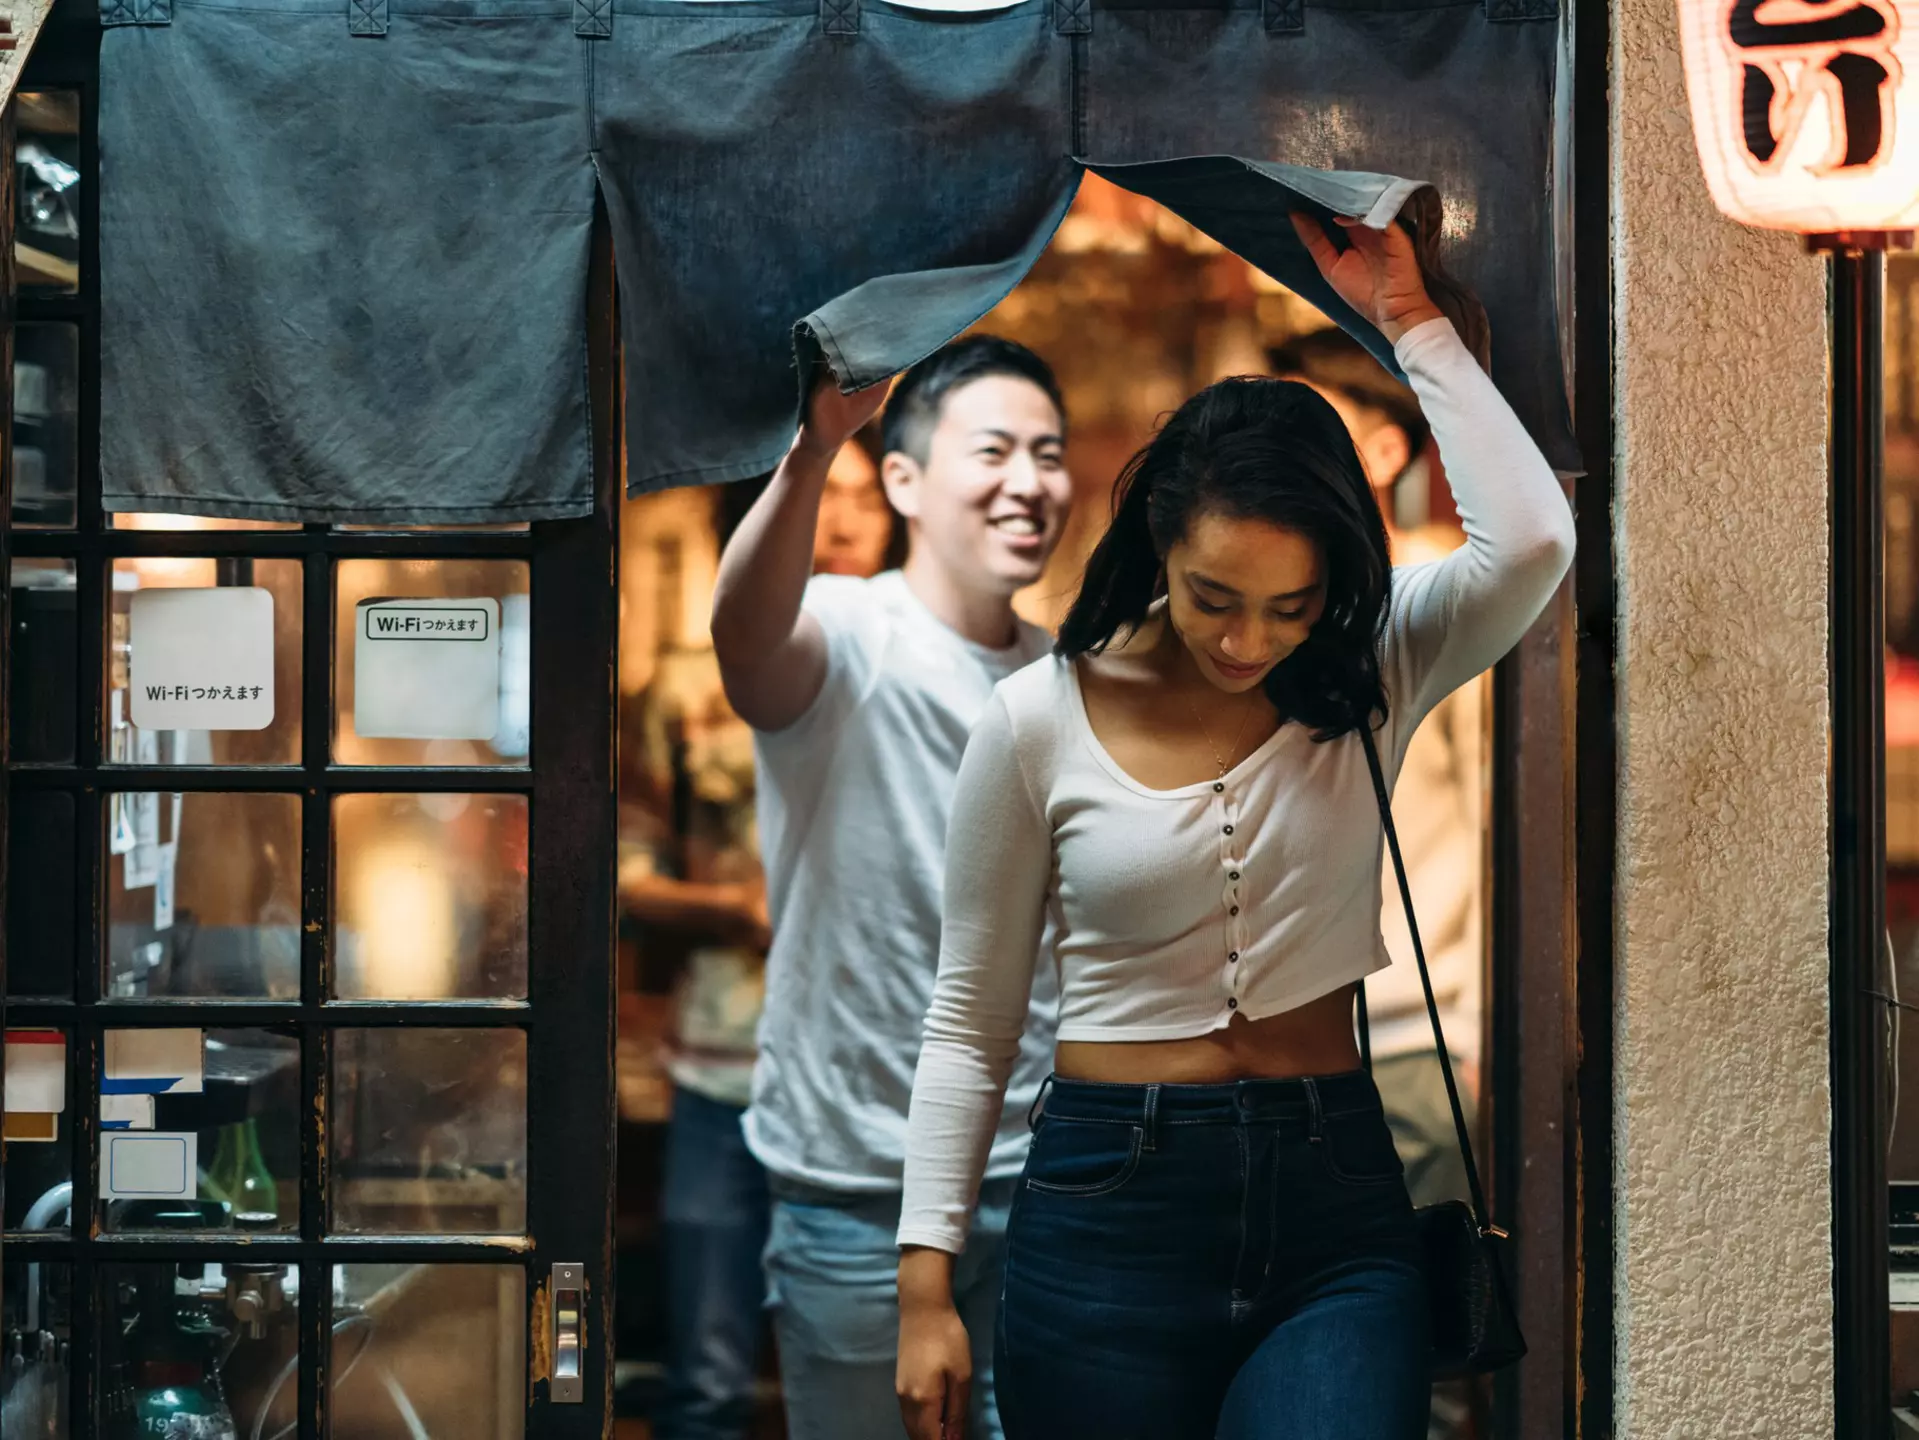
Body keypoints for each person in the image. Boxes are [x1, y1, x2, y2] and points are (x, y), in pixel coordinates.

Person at [894, 214, 1574, 1440]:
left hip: (1335, 1205)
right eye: (1214, 597)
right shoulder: (1031, 725)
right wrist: (923, 1282)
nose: (1246, 641)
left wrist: (1412, 324)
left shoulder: (1374, 665)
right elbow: (967, 1021)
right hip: (1105, 1210)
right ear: (1158, 539)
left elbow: (1530, 538)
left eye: (1290, 607)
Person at [710, 336, 1075, 1440]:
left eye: (1050, 454)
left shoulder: (1070, 675)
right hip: (853, 1183)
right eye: (997, 450)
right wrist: (812, 453)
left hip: (1043, 1179)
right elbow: (742, 636)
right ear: (904, 479)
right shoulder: (849, 636)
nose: (1029, 481)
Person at [622, 436, 901, 1440]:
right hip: (722, 1066)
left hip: (883, 1071)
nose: (844, 518)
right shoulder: (689, 689)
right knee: (703, 1379)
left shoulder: (925, 670)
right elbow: (621, 876)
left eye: (865, 497)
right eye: (821, 493)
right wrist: (737, 911)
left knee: (879, 1368)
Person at [1267, 324, 1485, 1212]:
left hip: (1410, 1034)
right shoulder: (1277, 609)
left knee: (1424, 1325)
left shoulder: (1433, 590)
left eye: (1311, 429)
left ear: (1385, 446)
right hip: (1276, 1044)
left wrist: (1481, 1031)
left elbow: (1496, 813)